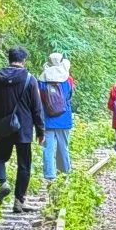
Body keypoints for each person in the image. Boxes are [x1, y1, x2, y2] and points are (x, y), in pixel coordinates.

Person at [0, 45, 45, 213]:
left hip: (3, 126)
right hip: (23, 128)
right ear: (23, 61)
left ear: (8, 59)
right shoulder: (29, 79)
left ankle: (3, 182)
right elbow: (37, 108)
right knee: (24, 165)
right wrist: (40, 130)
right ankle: (19, 202)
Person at [38, 52, 75, 184]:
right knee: (63, 146)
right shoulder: (68, 79)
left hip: (47, 119)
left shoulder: (42, 80)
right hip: (64, 118)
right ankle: (65, 172)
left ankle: (49, 175)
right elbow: (69, 96)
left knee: (48, 147)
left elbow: (40, 99)